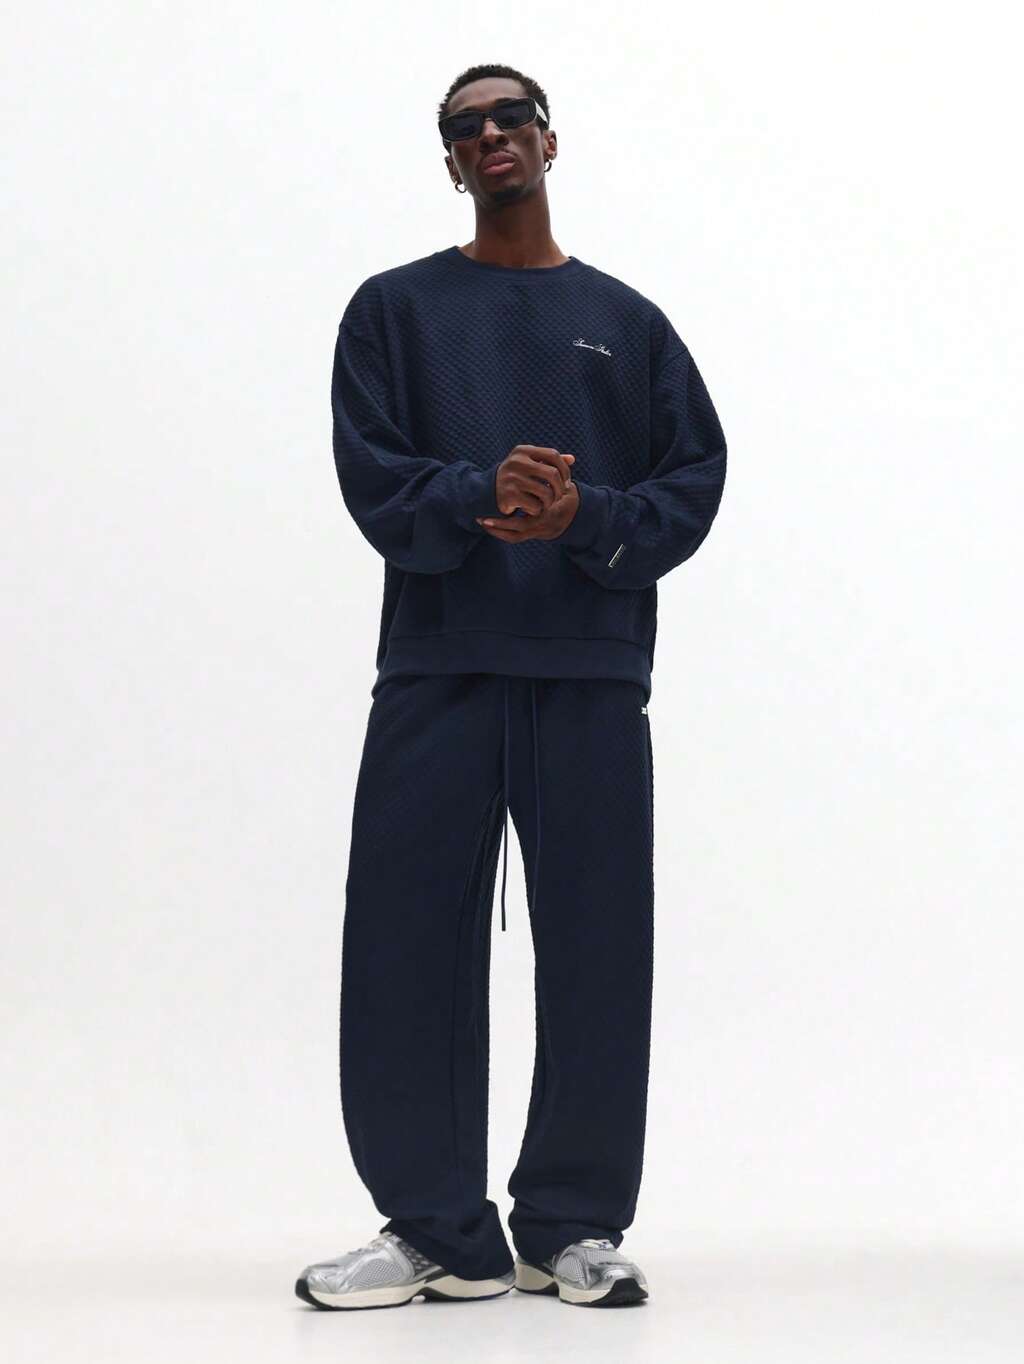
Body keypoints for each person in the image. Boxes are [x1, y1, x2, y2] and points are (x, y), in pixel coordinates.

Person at [296, 63, 727, 1312]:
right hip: (438, 665)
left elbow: (691, 481)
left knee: (599, 949)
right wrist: (483, 492)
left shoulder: (629, 323)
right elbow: (374, 474)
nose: (488, 133)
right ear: (449, 161)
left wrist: (581, 513)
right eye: (462, 126)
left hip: (589, 673)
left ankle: (570, 1225)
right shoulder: (393, 310)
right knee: (402, 945)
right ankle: (439, 1231)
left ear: (549, 139)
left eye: (508, 116)